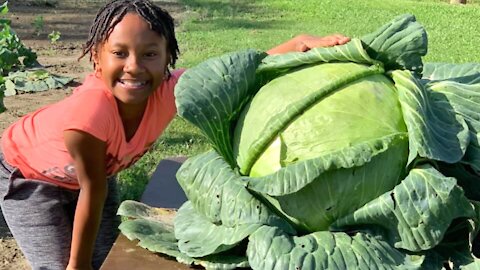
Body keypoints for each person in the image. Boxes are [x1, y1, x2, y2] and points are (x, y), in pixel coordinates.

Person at [0, 0, 350, 269]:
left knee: (107, 256)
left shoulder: (171, 91)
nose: (134, 66)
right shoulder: (89, 113)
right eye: (119, 54)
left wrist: (298, 44)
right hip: (28, 177)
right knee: (60, 264)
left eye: (150, 54)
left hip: (92, 175)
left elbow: (229, 72)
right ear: (96, 58)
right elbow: (94, 188)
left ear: (169, 58)